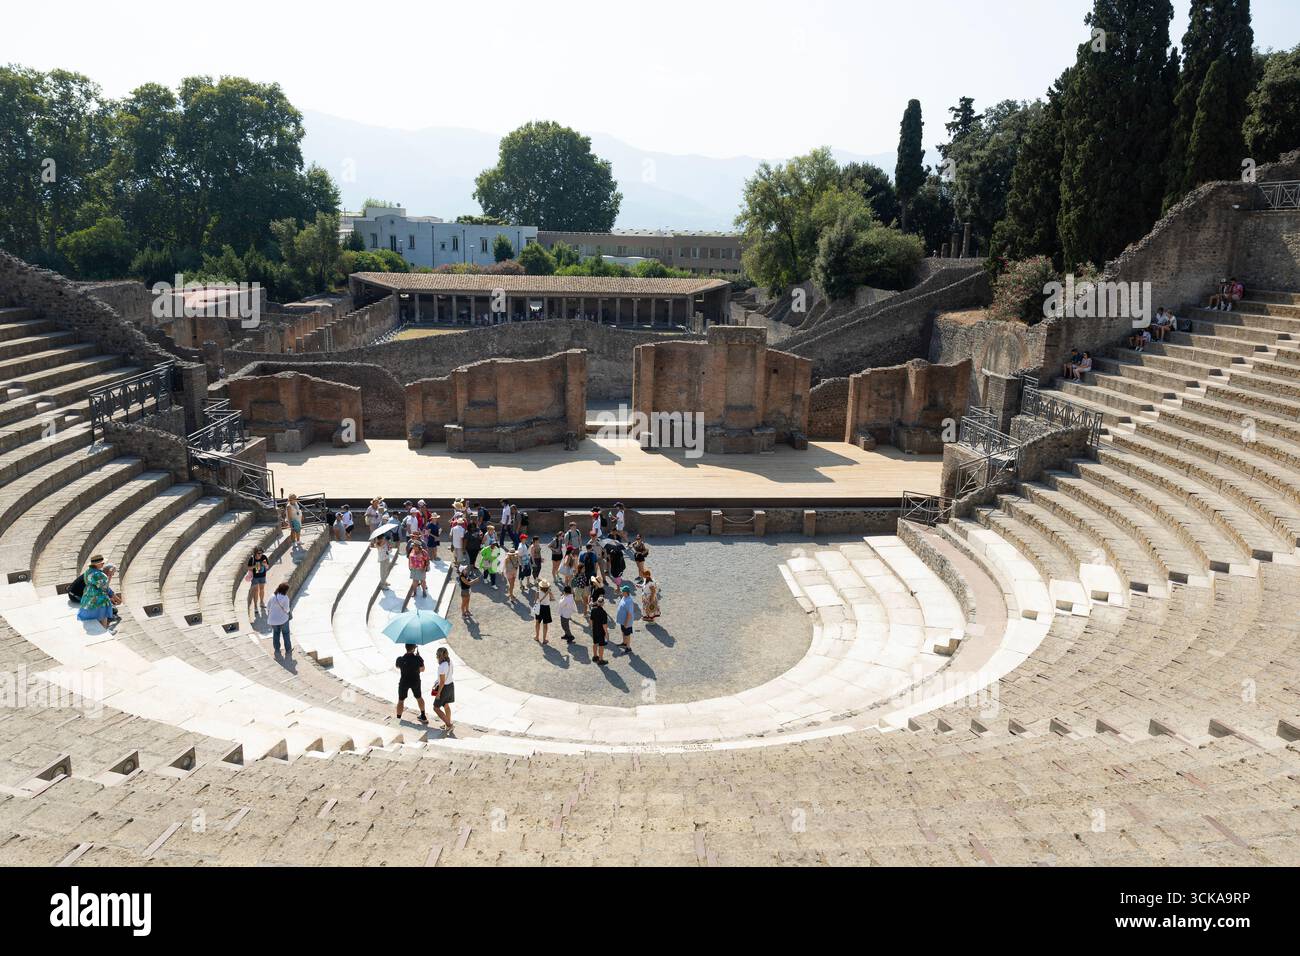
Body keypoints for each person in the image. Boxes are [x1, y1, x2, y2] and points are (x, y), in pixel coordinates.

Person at [76, 555, 117, 629]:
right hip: (98, 596)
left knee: (96, 615)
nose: (103, 564)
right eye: (102, 563)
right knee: (103, 615)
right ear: (97, 564)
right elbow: (105, 587)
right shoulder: (98, 574)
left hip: (88, 594)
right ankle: (104, 629)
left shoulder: (88, 571)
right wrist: (110, 575)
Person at [395, 643, 427, 724]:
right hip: (415, 681)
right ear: (413, 649)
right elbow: (422, 669)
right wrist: (418, 659)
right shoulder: (418, 658)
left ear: (406, 648)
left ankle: (398, 718)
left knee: (401, 700)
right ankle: (423, 716)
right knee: (419, 698)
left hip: (404, 682)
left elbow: (398, 667)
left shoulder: (400, 659)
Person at [431, 646, 455, 735]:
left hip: (444, 688)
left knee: (436, 708)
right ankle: (447, 723)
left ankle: (449, 724)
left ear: (438, 656)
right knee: (446, 705)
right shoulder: (450, 662)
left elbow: (442, 681)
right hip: (451, 685)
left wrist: (438, 693)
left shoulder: (441, 666)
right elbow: (451, 674)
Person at [402, 540, 430, 611]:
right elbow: (409, 559)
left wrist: (425, 567)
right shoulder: (412, 550)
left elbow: (427, 560)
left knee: (423, 581)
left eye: (414, 545)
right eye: (413, 545)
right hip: (414, 569)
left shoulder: (424, 552)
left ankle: (424, 591)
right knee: (414, 581)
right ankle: (414, 592)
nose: (413, 546)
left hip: (421, 569)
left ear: (418, 546)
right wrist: (409, 567)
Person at [267, 582, 292, 656]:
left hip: (273, 620)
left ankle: (277, 650)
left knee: (276, 634)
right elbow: (287, 610)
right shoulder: (285, 598)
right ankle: (288, 650)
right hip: (283, 620)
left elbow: (268, 607)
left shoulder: (272, 596)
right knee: (286, 634)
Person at [247, 547, 270, 615]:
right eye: (259, 553)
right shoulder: (252, 558)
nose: (260, 554)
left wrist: (265, 564)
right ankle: (255, 606)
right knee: (256, 591)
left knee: (262, 589)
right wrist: (255, 566)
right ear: (255, 553)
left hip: (262, 576)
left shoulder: (264, 557)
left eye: (261, 553)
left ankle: (262, 602)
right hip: (255, 577)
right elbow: (248, 567)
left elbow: (267, 567)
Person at [615, 583, 637, 654]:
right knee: (623, 632)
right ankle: (624, 643)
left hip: (626, 622)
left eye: (623, 592)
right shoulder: (624, 597)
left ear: (626, 593)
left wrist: (626, 623)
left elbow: (629, 614)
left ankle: (628, 647)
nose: (622, 592)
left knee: (627, 634)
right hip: (623, 621)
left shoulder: (629, 601)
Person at [589, 594, 609, 665]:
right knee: (601, 645)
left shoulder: (593, 610)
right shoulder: (604, 613)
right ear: (603, 603)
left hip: (595, 630)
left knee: (595, 643)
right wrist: (606, 633)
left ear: (597, 602)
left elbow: (591, 620)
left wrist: (592, 627)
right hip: (601, 631)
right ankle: (600, 660)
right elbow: (604, 625)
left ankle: (595, 656)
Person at [532, 579, 553, 645]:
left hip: (539, 607)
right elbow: (553, 599)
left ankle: (537, 636)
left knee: (537, 622)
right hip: (546, 608)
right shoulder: (549, 592)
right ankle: (544, 639)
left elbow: (535, 601)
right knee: (545, 624)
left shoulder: (538, 591)